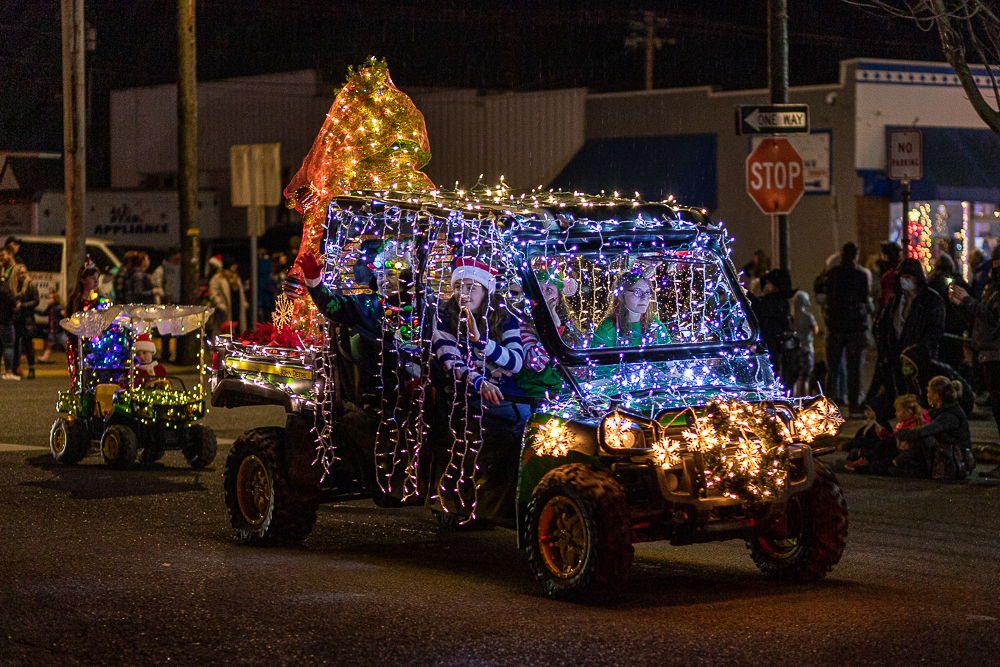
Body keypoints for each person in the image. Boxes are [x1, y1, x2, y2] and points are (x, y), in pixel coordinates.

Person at [432, 256, 524, 408]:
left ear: (486, 291)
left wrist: (480, 341)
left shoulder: (505, 316)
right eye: (457, 287)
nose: (462, 293)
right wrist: (478, 381)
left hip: (507, 393)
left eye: (470, 287)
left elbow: (516, 363)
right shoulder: (444, 315)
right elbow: (450, 360)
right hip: (468, 395)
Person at [950, 251, 1000, 478]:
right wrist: (964, 303)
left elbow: (992, 317)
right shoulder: (992, 285)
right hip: (989, 354)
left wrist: (967, 299)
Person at [869, 257, 945, 401]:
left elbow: (935, 330)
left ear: (917, 278)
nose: (904, 281)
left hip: (918, 359)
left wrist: (921, 351)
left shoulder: (931, 300)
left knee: (919, 393)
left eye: (908, 277)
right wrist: (884, 348)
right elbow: (883, 324)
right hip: (896, 354)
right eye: (902, 277)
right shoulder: (896, 298)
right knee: (902, 393)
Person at [516, 266, 582, 398]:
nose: (543, 294)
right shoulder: (523, 325)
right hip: (540, 394)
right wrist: (555, 328)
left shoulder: (569, 325)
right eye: (538, 289)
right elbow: (535, 363)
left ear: (558, 296)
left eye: (548, 289)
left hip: (570, 391)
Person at [823, 242, 872, 414]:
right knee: (854, 369)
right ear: (855, 255)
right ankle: (853, 405)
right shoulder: (860, 275)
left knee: (833, 369)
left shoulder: (832, 274)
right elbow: (864, 297)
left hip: (835, 325)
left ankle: (828, 406)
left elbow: (824, 292)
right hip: (854, 326)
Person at [895, 376, 974, 480]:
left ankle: (906, 465)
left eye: (929, 392)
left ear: (936, 395)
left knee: (922, 436)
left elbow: (925, 431)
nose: (927, 395)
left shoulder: (950, 414)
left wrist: (902, 433)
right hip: (949, 458)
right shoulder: (942, 410)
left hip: (954, 463)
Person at [592, 266, 670, 348]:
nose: (643, 298)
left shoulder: (654, 323)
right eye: (637, 292)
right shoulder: (608, 329)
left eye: (647, 293)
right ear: (621, 295)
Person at [899, 343, 973, 417]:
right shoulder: (914, 374)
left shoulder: (934, 373)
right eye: (904, 364)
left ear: (917, 362)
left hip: (961, 404)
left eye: (908, 364)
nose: (905, 367)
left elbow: (939, 398)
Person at [748, 268, 794, 381]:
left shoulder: (777, 302)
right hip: (769, 345)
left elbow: (761, 309)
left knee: (771, 374)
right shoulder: (773, 301)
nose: (766, 286)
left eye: (769, 283)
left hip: (773, 345)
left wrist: (748, 295)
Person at [927, 253, 970, 371]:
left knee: (940, 359)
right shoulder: (959, 281)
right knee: (955, 359)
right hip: (956, 326)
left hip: (939, 325)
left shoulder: (932, 282)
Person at [843, 395, 896, 473]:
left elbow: (870, 442)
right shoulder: (870, 424)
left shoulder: (881, 426)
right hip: (864, 453)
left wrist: (857, 442)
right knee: (853, 451)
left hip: (871, 456)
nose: (867, 413)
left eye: (870, 410)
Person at [207, 255, 247, 338]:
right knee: (224, 334)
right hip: (225, 312)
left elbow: (240, 293)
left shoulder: (236, 278)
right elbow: (214, 294)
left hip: (236, 311)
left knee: (237, 333)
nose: (236, 266)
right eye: (233, 264)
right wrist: (219, 303)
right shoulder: (218, 278)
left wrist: (243, 302)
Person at [12, 265, 38, 379]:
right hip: (16, 319)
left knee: (28, 345)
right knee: (16, 344)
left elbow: (36, 301)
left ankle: (31, 368)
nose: (23, 275)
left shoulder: (31, 285)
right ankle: (16, 368)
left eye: (24, 272)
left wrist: (22, 305)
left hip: (27, 319)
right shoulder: (14, 285)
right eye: (20, 273)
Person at [791, 290, 819, 397]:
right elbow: (815, 330)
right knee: (805, 377)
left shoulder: (791, 317)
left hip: (795, 349)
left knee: (795, 377)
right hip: (807, 348)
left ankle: (794, 398)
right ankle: (805, 399)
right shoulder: (808, 317)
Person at [37, 288, 67, 363]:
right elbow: (44, 313)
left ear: (55, 299)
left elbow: (64, 315)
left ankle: (71, 357)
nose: (49, 300)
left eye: (51, 298)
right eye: (49, 298)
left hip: (59, 330)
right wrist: (35, 310)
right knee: (49, 345)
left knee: (65, 344)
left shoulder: (59, 307)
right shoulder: (50, 308)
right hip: (52, 330)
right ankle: (45, 357)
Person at [0, 257, 16, 380]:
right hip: (5, 320)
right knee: (9, 345)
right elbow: (11, 300)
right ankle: (9, 371)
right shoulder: (3, 286)